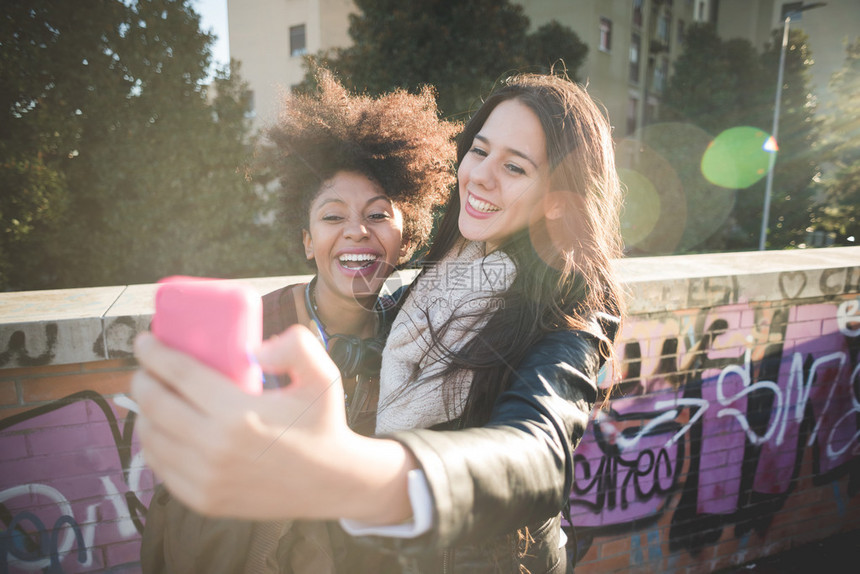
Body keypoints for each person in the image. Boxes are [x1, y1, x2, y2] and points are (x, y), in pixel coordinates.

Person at [132, 71, 626, 573]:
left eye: (515, 167)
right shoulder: (432, 286)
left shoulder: (574, 308)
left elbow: (538, 458)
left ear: (558, 197)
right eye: (479, 151)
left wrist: (356, 474)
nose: (480, 175)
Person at [139, 71, 457, 573]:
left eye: (378, 215)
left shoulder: (419, 335)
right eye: (332, 217)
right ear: (307, 240)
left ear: (406, 236)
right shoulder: (258, 330)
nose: (356, 231)